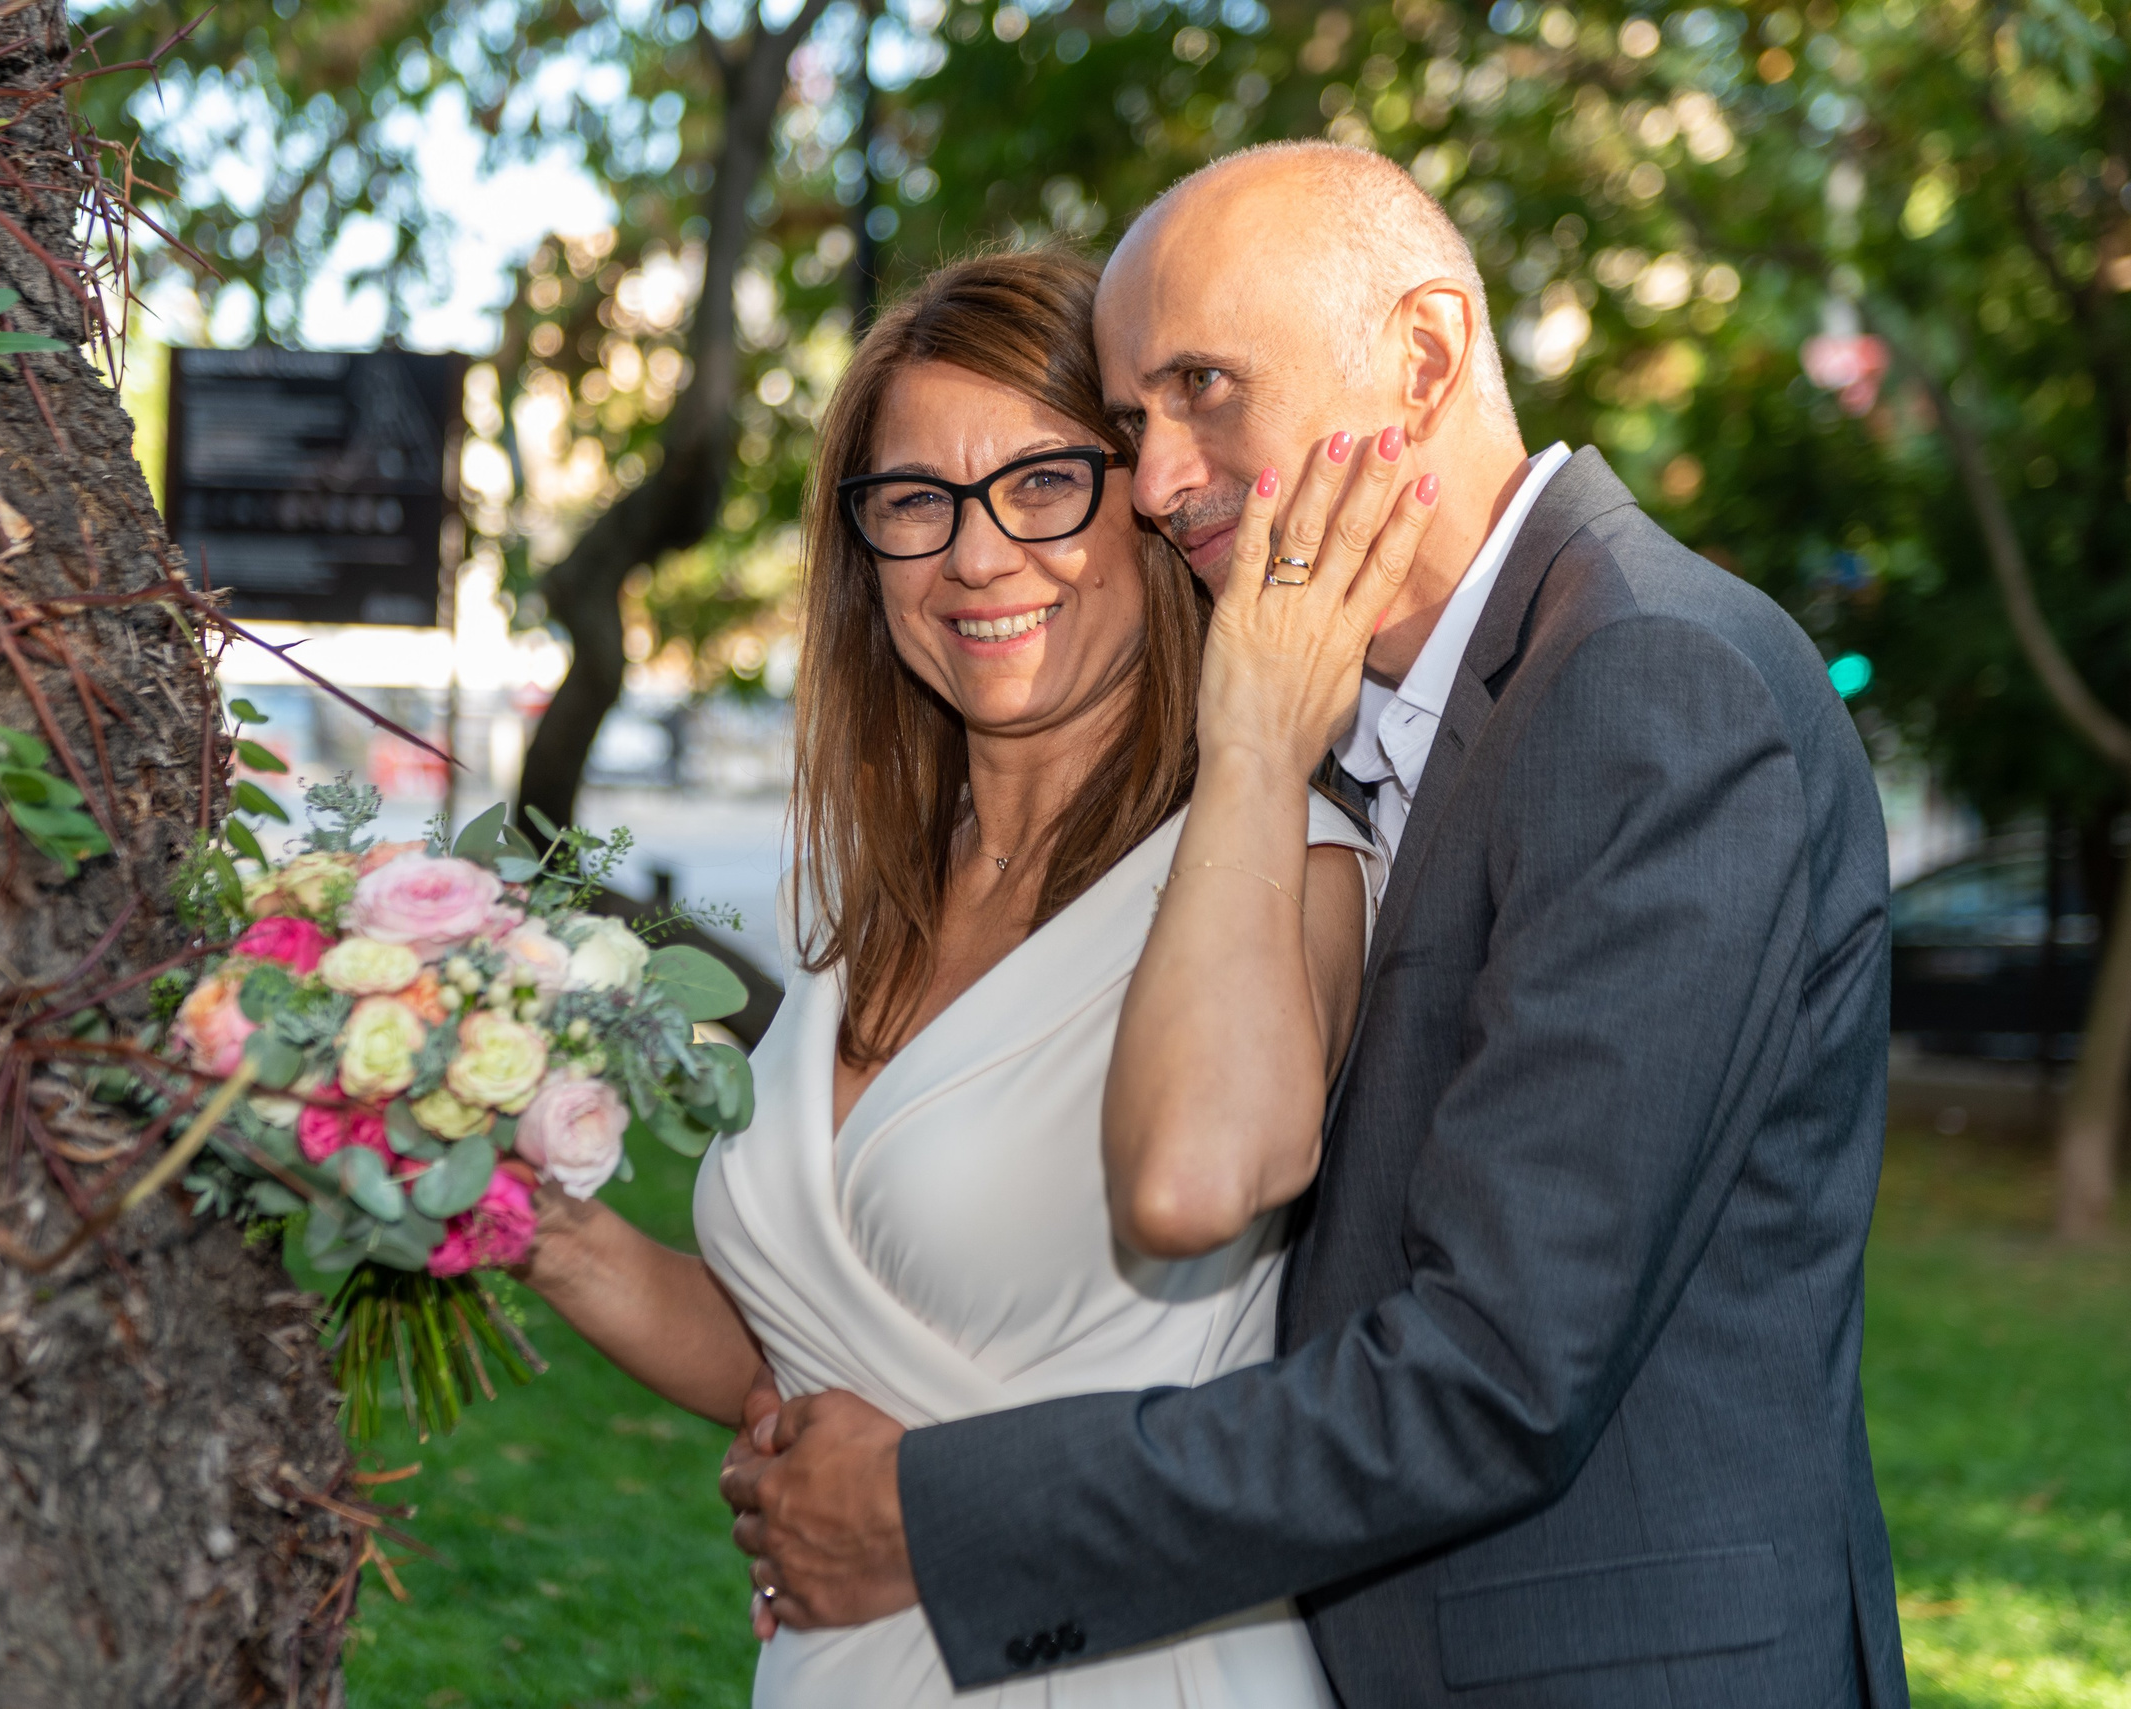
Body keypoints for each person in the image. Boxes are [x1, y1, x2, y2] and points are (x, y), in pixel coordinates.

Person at [723, 141, 1911, 1708]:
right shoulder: (1388, 710)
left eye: (1207, 387)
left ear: (1422, 356)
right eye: (1139, 421)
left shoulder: (1649, 680)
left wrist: (936, 1520)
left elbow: (1491, 1376)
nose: (1156, 481)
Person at [510, 248, 1380, 1705]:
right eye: (915, 501)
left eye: (1044, 482)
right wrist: (530, 1216)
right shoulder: (861, 895)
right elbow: (813, 1357)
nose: (978, 555)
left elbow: (1207, 1173)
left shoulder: (1281, 859)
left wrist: (1254, 740)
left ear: (1148, 499)